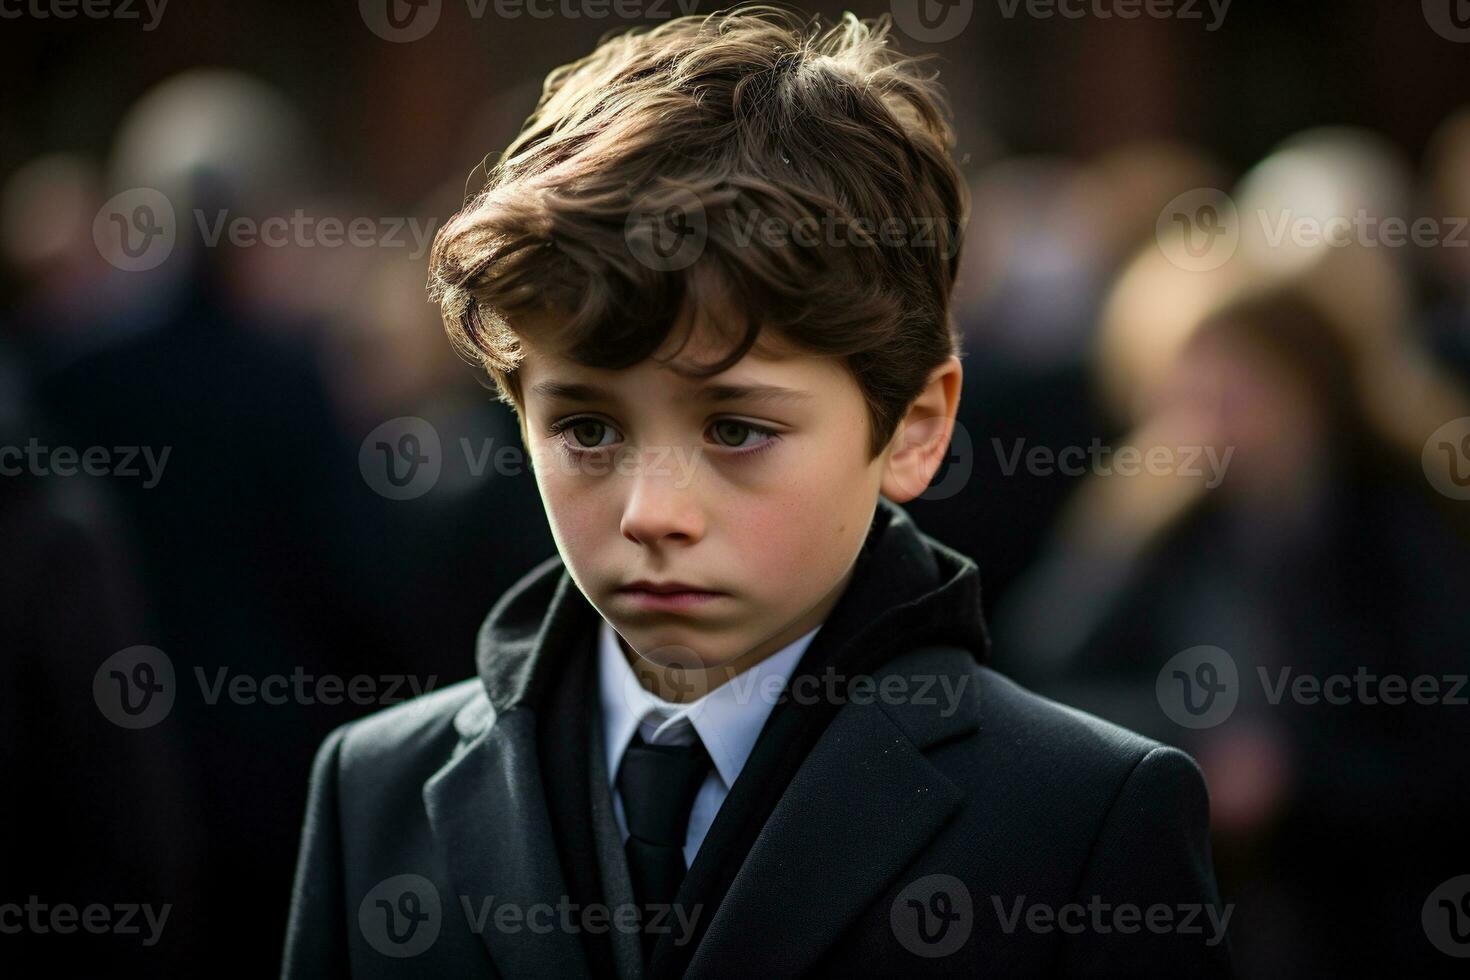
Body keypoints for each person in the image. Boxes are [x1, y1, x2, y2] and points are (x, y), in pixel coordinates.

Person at [281, 7, 1229, 977]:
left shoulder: (1082, 818)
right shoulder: (376, 789)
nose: (652, 512)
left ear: (914, 426)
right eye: (587, 428)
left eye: (737, 429)